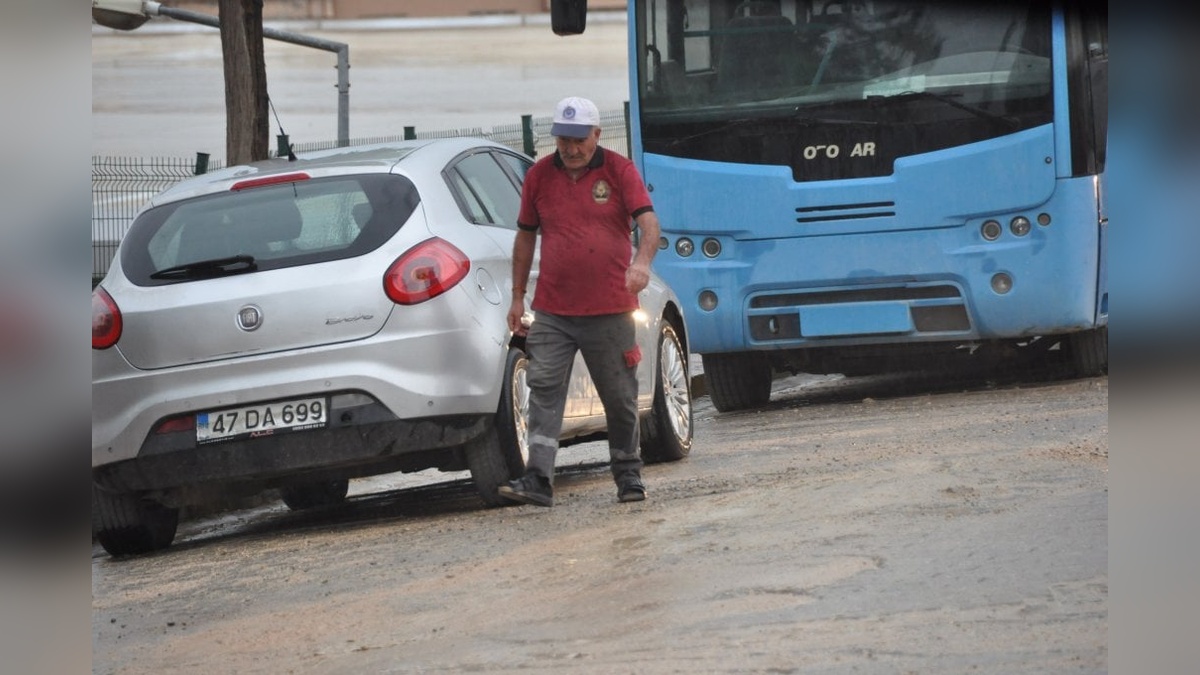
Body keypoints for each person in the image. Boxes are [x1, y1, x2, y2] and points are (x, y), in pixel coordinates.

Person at [498, 96, 661, 508]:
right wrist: (518, 297)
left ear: (596, 135)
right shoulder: (538, 176)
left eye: (578, 140)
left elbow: (649, 221)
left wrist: (641, 263)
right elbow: (524, 237)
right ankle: (538, 479)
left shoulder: (619, 170)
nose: (570, 148)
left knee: (619, 397)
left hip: (610, 308)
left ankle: (628, 475)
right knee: (543, 388)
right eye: (562, 139)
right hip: (553, 310)